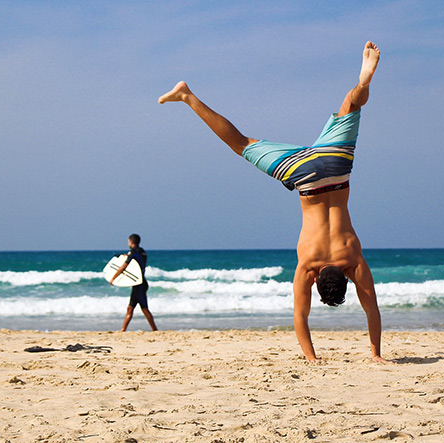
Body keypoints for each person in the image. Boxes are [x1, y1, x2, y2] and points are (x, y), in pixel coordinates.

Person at [159, 41, 387, 363]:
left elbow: (372, 310)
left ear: (344, 277)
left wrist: (375, 353)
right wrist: (313, 357)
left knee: (352, 104)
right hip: (304, 179)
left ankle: (362, 83)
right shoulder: (309, 265)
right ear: (316, 281)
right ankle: (187, 96)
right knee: (241, 144)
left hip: (335, 166)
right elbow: (301, 317)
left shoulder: (353, 259)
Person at [109, 234, 158, 332]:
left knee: (144, 308)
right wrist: (126, 256)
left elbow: (124, 267)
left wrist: (113, 278)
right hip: (140, 283)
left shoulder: (133, 253)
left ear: (131, 241)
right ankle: (123, 329)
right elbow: (137, 262)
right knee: (130, 308)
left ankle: (155, 330)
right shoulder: (142, 252)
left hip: (139, 285)